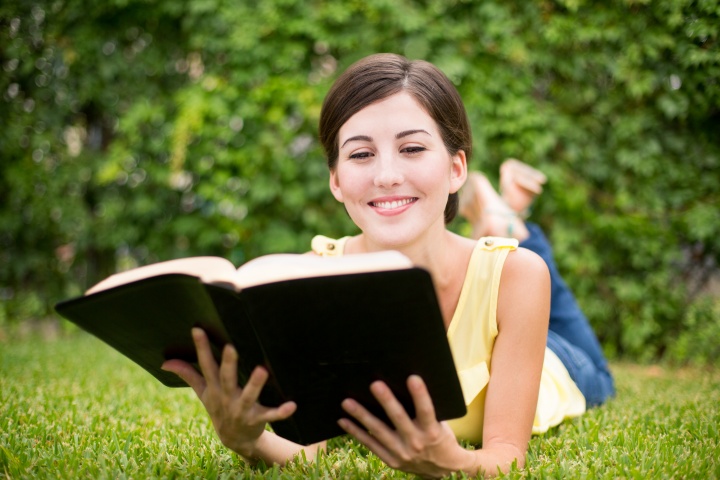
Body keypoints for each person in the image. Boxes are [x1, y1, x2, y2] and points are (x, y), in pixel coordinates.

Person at [161, 53, 614, 478]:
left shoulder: (519, 278)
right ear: (337, 181)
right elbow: (311, 455)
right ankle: (503, 212)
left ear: (456, 169)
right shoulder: (309, 282)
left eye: (412, 149)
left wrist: (450, 462)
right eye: (360, 154)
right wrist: (248, 440)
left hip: (563, 367)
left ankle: (510, 219)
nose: (386, 175)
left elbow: (506, 458)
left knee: (590, 360)